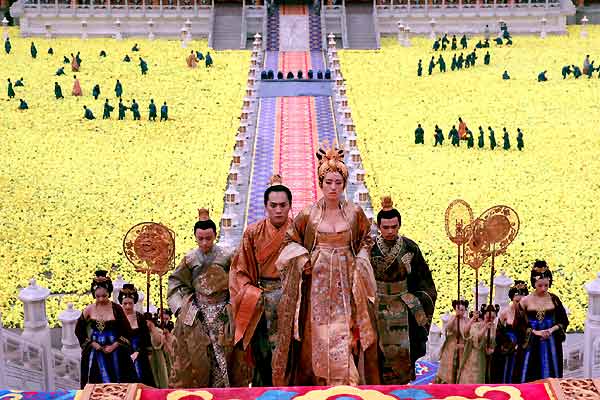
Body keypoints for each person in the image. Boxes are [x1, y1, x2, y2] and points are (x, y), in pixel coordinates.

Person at [272, 145, 378, 386]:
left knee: (347, 329)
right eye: (328, 182)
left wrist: (360, 261)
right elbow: (291, 239)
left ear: (344, 184)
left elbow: (366, 240)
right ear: (321, 182)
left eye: (338, 182)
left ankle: (347, 383)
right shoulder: (308, 214)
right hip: (317, 279)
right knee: (317, 330)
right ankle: (319, 382)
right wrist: (302, 259)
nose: (333, 187)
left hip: (347, 277)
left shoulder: (354, 212)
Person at [229, 175, 293, 387]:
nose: (278, 210)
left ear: (290, 206)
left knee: (290, 356)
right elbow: (240, 271)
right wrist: (251, 294)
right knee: (262, 357)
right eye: (273, 205)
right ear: (266, 206)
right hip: (261, 302)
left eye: (283, 205)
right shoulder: (252, 233)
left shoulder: (299, 232)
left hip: (291, 301)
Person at [369, 196, 436, 385]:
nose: (390, 231)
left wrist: (416, 301)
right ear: (378, 226)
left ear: (399, 225)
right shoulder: (369, 249)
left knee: (402, 355)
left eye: (394, 227)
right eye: (385, 227)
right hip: (376, 305)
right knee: (376, 353)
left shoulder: (410, 247)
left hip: (403, 307)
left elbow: (425, 282)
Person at [168, 209, 234, 388]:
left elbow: (237, 281)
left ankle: (225, 391)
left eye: (209, 238)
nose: (205, 243)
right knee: (199, 354)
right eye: (201, 239)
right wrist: (181, 308)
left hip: (223, 312)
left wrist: (232, 304)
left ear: (215, 235)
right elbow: (175, 283)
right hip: (199, 314)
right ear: (195, 238)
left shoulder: (227, 256)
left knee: (224, 355)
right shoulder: (190, 259)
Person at [75, 271, 135, 388]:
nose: (101, 299)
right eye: (98, 296)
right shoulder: (89, 310)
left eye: (104, 296)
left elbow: (127, 331)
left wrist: (115, 345)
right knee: (94, 380)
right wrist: (91, 343)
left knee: (118, 379)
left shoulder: (116, 309)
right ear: (93, 294)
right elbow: (79, 330)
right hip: (95, 350)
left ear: (109, 293)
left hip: (115, 350)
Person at [515, 260, 569, 382]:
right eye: (540, 285)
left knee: (551, 372)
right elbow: (519, 326)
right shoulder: (525, 301)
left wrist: (551, 330)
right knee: (530, 373)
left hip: (551, 343)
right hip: (531, 344)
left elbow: (563, 320)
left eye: (546, 285)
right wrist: (535, 332)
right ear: (534, 283)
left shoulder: (554, 299)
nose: (544, 288)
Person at [118, 284, 156, 386]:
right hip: (122, 354)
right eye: (125, 303)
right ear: (121, 303)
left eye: (130, 303)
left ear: (134, 303)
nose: (128, 306)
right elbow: (116, 337)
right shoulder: (117, 318)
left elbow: (145, 338)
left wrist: (138, 352)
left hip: (140, 354)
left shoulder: (140, 318)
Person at [491, 281, 528, 383]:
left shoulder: (527, 314)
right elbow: (498, 332)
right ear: (512, 299)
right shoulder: (505, 313)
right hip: (506, 348)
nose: (519, 304)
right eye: (517, 301)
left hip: (520, 349)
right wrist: (509, 343)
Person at [457, 305, 498, 384]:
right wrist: (485, 328)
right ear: (484, 316)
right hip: (474, 354)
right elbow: (476, 337)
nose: (490, 319)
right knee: (473, 376)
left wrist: (491, 350)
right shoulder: (476, 325)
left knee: (481, 376)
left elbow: (493, 342)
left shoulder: (493, 327)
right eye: (488, 317)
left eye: (493, 318)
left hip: (484, 356)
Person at [435, 300, 469, 383]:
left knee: (461, 363)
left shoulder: (466, 320)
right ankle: (446, 380)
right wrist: (455, 318)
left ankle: (459, 380)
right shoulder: (452, 318)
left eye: (463, 310)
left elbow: (467, 333)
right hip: (451, 344)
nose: (461, 312)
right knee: (449, 363)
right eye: (459, 310)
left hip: (461, 344)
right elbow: (448, 328)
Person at [147, 308, 175, 388]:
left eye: (166, 319)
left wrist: (166, 339)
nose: (164, 321)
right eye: (162, 318)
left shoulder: (171, 332)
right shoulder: (156, 330)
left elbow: (171, 352)